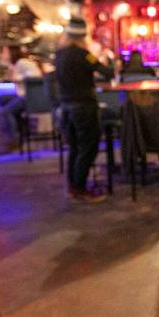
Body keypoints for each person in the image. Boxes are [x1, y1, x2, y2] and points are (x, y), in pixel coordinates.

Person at [54, 18, 113, 202]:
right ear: (83, 36)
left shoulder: (59, 54)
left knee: (74, 148)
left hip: (66, 107)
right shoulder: (84, 54)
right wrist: (107, 59)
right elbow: (107, 72)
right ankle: (80, 189)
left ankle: (73, 187)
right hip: (84, 106)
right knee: (88, 147)